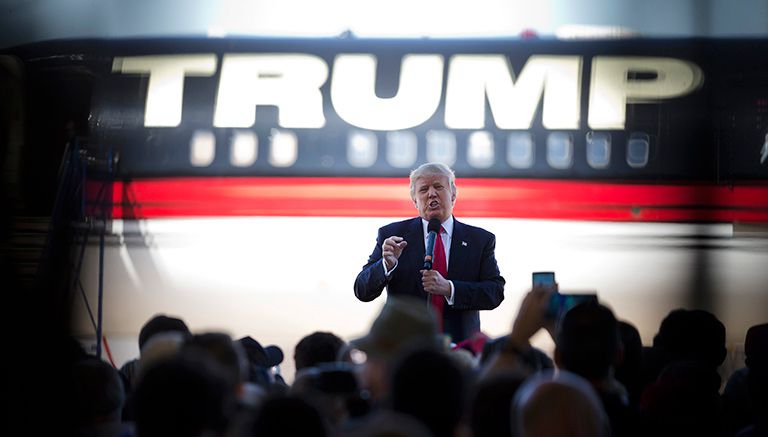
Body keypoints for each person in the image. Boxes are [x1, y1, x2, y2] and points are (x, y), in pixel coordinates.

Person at [353, 162, 505, 343]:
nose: (432, 194)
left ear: (453, 194)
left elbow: (495, 292)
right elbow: (362, 291)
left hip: (460, 349)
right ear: (415, 200)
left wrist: (450, 288)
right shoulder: (392, 235)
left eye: (438, 187)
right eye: (424, 189)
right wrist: (386, 265)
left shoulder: (480, 240)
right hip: (407, 349)